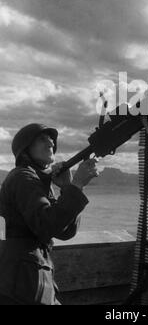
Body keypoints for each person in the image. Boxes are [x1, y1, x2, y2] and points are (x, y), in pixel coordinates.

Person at [0, 123, 99, 305]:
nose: (51, 142)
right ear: (25, 150)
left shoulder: (36, 181)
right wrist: (76, 186)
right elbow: (47, 225)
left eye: (51, 139)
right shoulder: (23, 177)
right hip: (23, 283)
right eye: (42, 139)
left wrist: (67, 189)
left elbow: (65, 231)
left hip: (31, 279)